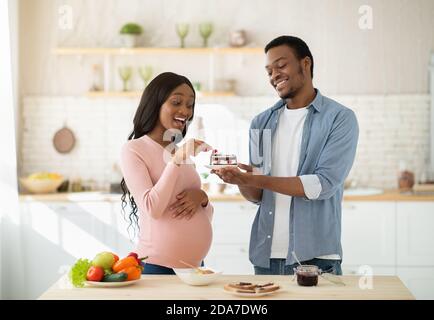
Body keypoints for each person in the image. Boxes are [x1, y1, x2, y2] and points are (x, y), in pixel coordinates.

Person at [212, 36, 359, 275]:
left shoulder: (339, 118)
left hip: (315, 258)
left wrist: (254, 179)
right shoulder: (261, 123)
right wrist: (240, 180)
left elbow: (322, 185)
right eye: (269, 71)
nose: (274, 75)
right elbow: (258, 195)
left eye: (281, 66)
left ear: (305, 64)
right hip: (266, 257)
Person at [120, 72, 213, 275]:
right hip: (158, 266)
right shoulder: (134, 149)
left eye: (190, 105)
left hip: (195, 268)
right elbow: (152, 208)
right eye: (177, 102)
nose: (185, 111)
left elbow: (199, 214)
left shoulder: (177, 151)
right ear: (156, 103)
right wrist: (177, 159)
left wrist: (203, 198)